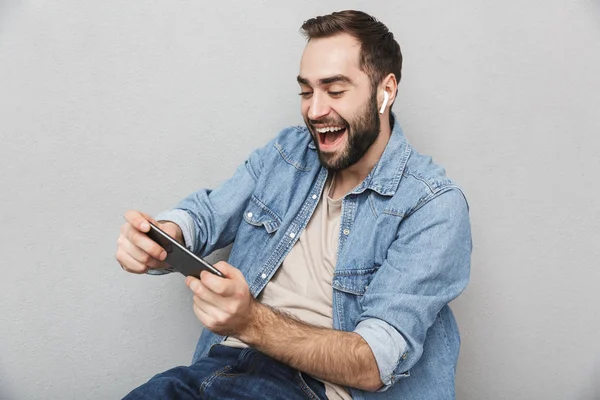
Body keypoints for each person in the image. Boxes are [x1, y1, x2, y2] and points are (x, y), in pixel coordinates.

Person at [115, 9, 472, 400]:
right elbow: (208, 214)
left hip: (315, 388)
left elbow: (374, 361)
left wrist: (250, 321)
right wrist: (166, 237)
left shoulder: (432, 206)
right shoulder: (287, 153)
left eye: (335, 91)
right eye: (306, 91)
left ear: (385, 90)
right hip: (220, 368)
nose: (315, 111)